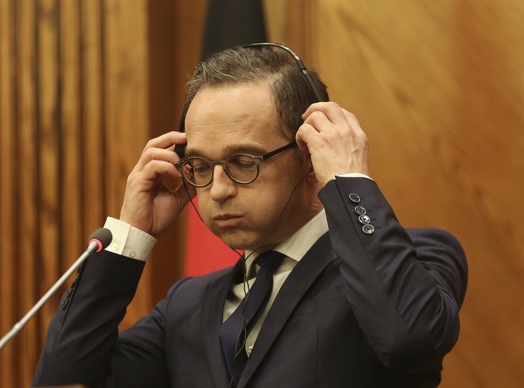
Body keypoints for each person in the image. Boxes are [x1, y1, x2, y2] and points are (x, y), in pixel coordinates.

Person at [32, 44, 468, 388]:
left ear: (309, 157)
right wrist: (128, 239)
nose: (217, 190)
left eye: (244, 161)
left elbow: (409, 340)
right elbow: (66, 379)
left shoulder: (416, 259)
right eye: (200, 166)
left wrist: (349, 180)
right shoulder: (187, 305)